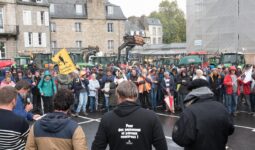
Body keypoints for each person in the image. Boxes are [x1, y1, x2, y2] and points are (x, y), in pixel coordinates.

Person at [92, 81, 167, 150]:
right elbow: (162, 147)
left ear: (117, 95)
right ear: (136, 95)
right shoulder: (151, 116)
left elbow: (97, 147)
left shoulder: (107, 118)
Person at [172, 79, 234, 150]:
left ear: (193, 91)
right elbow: (230, 129)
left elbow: (180, 138)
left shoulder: (189, 111)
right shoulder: (221, 107)